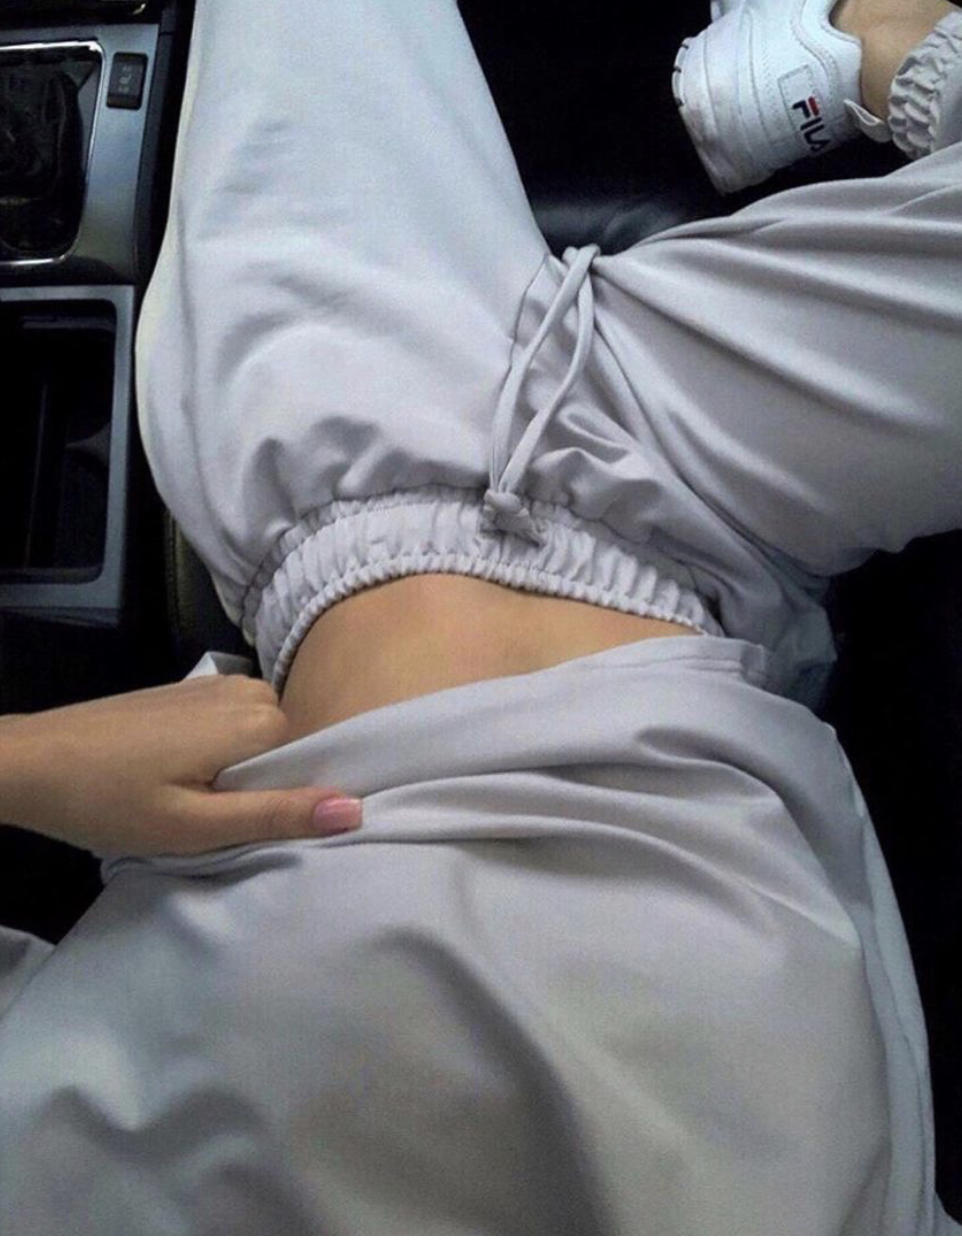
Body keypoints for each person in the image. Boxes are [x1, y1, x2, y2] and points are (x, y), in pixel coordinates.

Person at [0, 0, 960, 1232]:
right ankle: (872, 54)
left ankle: (828, 58)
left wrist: (22, 762)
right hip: (695, 516)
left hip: (350, 476)